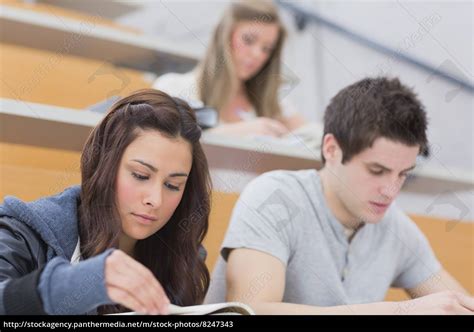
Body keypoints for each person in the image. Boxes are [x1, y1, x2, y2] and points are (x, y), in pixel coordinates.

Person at [205, 77, 474, 314]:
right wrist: (397, 311)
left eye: (403, 174)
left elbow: (458, 304)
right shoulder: (275, 196)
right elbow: (251, 311)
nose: (391, 190)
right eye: (377, 170)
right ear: (332, 149)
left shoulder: (396, 228)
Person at [0, 89, 211, 315]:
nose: (155, 200)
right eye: (140, 175)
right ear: (104, 167)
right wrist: (74, 283)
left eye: (173, 186)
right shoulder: (24, 233)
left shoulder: (182, 257)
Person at [153, 0, 306, 138]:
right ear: (224, 37)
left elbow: (312, 136)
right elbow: (160, 142)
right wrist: (234, 132)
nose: (257, 54)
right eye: (248, 40)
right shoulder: (172, 88)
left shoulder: (276, 104)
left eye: (267, 48)